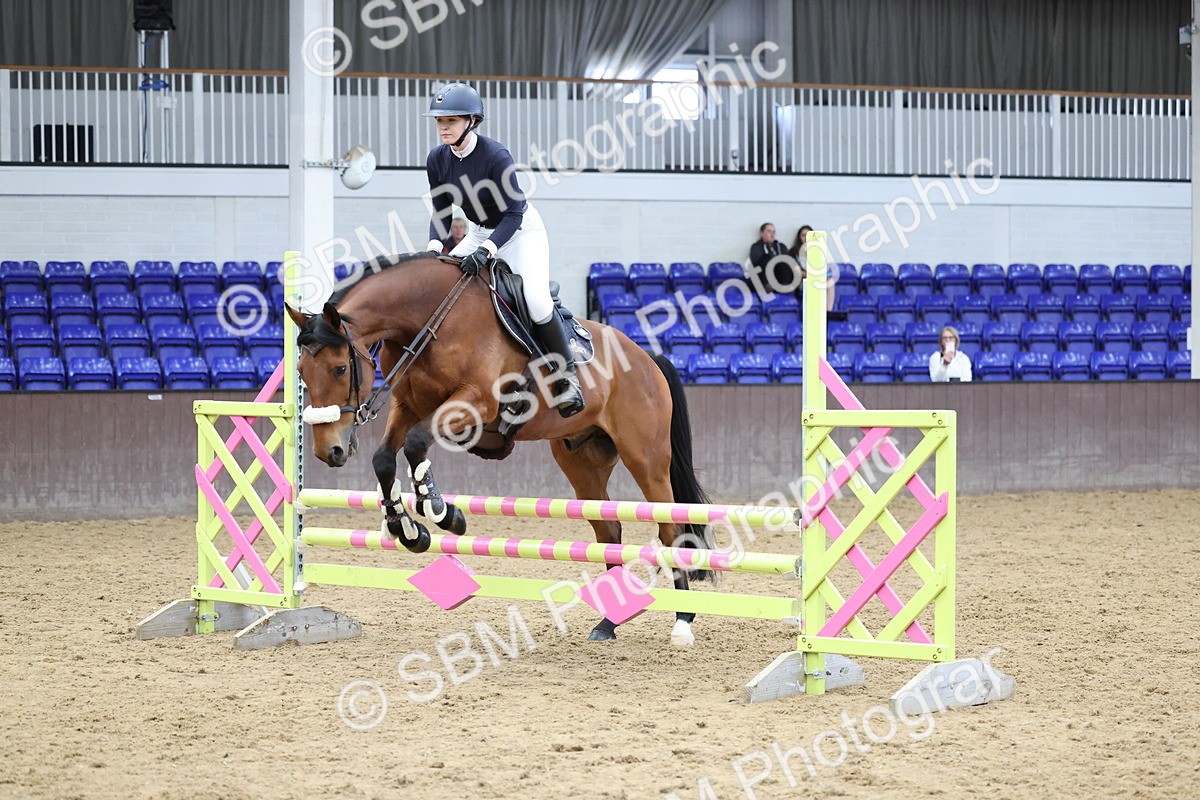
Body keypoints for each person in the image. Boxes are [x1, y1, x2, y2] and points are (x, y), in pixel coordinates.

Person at [423, 82, 584, 417]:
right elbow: (441, 212)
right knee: (439, 289)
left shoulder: (495, 156)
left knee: (537, 302)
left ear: (472, 120)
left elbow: (514, 213)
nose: (443, 127)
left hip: (520, 231)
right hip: (479, 232)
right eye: (439, 121)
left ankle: (567, 379)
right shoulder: (437, 159)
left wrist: (488, 251)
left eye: (450, 121)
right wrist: (434, 249)